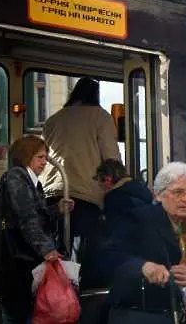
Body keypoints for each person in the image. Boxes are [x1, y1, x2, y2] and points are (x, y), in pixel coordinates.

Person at [104, 162, 186, 321]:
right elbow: (110, 256)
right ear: (158, 194)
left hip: (176, 314)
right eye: (178, 192)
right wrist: (143, 266)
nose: (185, 199)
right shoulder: (138, 218)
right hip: (139, 314)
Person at [0, 136, 73, 324]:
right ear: (26, 156)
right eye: (39, 157)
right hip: (14, 260)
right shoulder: (17, 177)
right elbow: (27, 217)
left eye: (45, 157)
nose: (44, 162)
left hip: (18, 258)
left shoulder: (30, 180)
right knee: (17, 312)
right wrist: (46, 249)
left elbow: (34, 215)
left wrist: (57, 209)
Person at [41, 77, 121, 260]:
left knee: (57, 249)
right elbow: (111, 158)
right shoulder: (100, 117)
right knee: (86, 252)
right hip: (86, 195)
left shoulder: (53, 120)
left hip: (51, 193)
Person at [80, 158, 153, 289]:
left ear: (107, 179)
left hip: (125, 253)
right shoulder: (142, 190)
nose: (100, 188)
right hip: (144, 250)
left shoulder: (115, 198)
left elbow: (113, 233)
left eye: (99, 182)